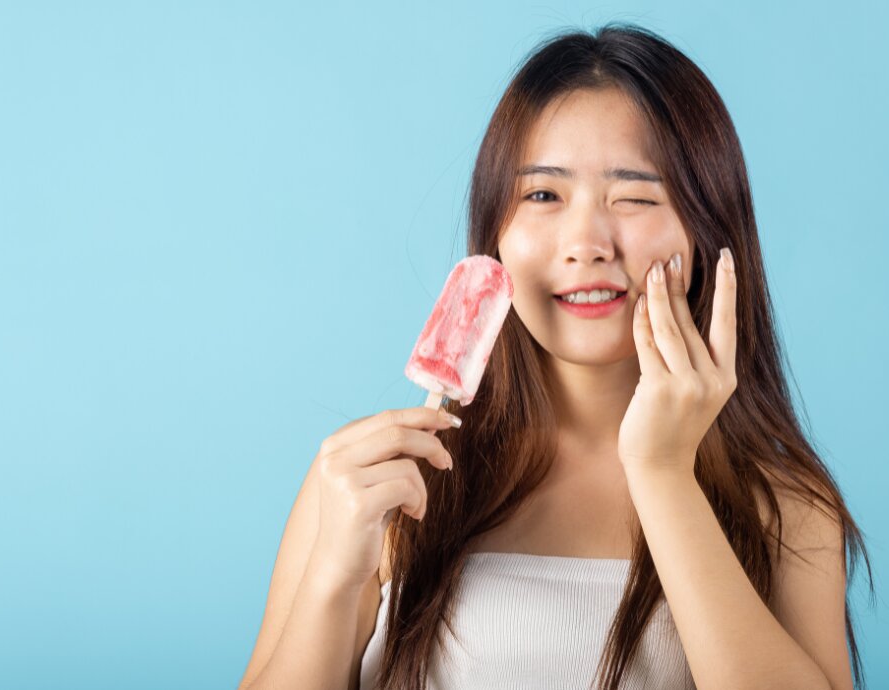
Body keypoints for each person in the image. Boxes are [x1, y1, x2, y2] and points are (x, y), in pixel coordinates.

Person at [237, 22, 872, 690]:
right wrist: (334, 582)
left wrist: (661, 473)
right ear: (495, 233)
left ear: (707, 227)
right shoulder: (372, 483)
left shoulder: (786, 507)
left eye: (634, 196)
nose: (586, 242)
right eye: (543, 195)